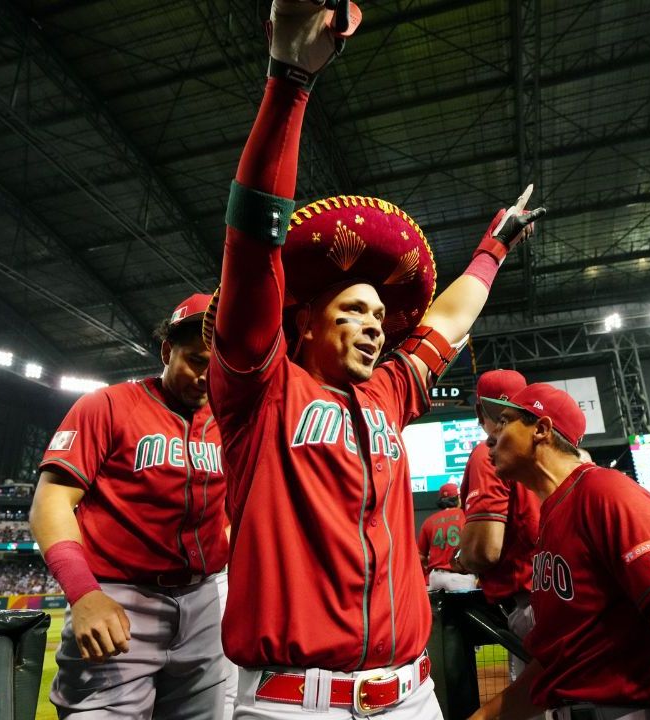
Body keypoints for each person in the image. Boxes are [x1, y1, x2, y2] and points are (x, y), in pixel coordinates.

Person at [206, 2, 545, 717]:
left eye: (378, 315)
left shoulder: (390, 392)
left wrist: (493, 249)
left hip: (413, 695)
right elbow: (251, 243)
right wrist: (290, 81)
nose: (373, 327)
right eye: (350, 311)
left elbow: (449, 318)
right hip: (296, 703)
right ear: (302, 322)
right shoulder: (259, 388)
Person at [471, 383, 650, 720]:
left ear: (541, 430)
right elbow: (560, 663)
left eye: (504, 421)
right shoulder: (555, 512)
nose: (490, 436)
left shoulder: (605, 491)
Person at [30, 293, 230, 719]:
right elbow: (51, 501)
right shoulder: (107, 405)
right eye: (195, 360)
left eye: (216, 366)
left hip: (204, 600)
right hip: (120, 599)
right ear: (165, 350)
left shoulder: (228, 425)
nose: (205, 377)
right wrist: (84, 594)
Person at [455, 369, 540, 679]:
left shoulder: (489, 451)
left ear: (480, 410)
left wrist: (459, 559)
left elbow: (484, 552)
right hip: (568, 596)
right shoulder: (549, 449)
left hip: (532, 606)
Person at [418, 483, 475, 591]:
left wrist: (426, 575)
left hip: (435, 578)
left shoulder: (429, 521)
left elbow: (420, 556)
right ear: (458, 498)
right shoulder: (466, 516)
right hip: (460, 578)